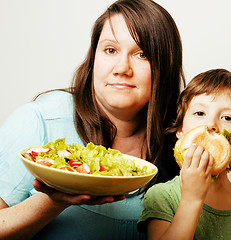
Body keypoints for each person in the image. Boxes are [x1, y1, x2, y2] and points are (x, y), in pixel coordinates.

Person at [0, 0, 185, 239]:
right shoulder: (40, 120)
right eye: (110, 50)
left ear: (165, 67)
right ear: (94, 56)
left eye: (142, 54)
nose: (122, 68)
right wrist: (53, 201)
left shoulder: (181, 143)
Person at [138, 68, 231, 239]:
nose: (210, 125)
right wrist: (191, 199)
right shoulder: (161, 196)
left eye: (227, 118)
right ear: (181, 130)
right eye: (200, 113)